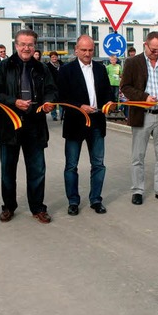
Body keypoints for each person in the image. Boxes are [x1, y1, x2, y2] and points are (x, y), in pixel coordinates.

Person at [0, 29, 57, 224]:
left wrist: (49, 101)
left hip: (35, 126)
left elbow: (52, 90)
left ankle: (37, 207)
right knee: (8, 170)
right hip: (9, 126)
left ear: (34, 46)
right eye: (22, 44)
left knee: (37, 170)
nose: (26, 48)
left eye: (30, 44)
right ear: (16, 45)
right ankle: (8, 207)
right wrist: (14, 102)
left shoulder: (43, 68)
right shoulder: (4, 67)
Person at [119, 31, 158, 205]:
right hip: (142, 115)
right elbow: (125, 87)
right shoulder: (132, 62)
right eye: (154, 50)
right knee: (138, 156)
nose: (157, 53)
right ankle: (137, 190)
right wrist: (144, 97)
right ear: (146, 45)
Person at [57, 35, 112, 216]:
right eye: (84, 50)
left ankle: (96, 199)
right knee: (71, 165)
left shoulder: (101, 69)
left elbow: (107, 93)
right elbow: (62, 98)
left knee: (98, 164)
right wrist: (79, 107)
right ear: (76, 50)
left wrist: (108, 104)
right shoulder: (66, 71)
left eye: (90, 50)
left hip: (96, 122)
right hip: (75, 123)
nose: (87, 53)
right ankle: (73, 201)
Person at [46, 51, 63, 121]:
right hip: (52, 86)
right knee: (54, 101)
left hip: (61, 85)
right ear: (50, 58)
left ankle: (62, 115)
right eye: (52, 57)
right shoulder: (47, 66)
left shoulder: (61, 64)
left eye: (55, 56)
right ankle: (54, 115)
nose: (54, 58)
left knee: (62, 101)